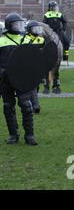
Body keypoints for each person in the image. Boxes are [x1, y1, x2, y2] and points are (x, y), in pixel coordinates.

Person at [0, 13, 38, 145]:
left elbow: (33, 61)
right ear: (9, 25)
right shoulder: (1, 41)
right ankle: (13, 135)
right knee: (7, 106)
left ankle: (30, 135)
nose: (18, 26)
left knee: (26, 106)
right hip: (5, 80)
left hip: (22, 79)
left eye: (20, 24)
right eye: (16, 24)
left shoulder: (27, 40)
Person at [43, 1, 69, 94]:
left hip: (59, 32)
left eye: (56, 6)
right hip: (50, 32)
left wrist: (63, 29)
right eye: (53, 6)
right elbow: (44, 25)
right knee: (42, 41)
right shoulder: (47, 14)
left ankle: (65, 54)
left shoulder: (59, 14)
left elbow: (65, 22)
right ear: (50, 7)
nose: (55, 8)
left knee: (66, 41)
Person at [21, 20, 46, 114]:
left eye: (38, 28)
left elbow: (46, 52)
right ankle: (35, 105)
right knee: (32, 86)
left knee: (36, 86)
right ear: (29, 30)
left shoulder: (41, 39)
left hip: (38, 67)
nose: (37, 30)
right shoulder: (25, 40)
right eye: (35, 29)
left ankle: (31, 103)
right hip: (27, 67)